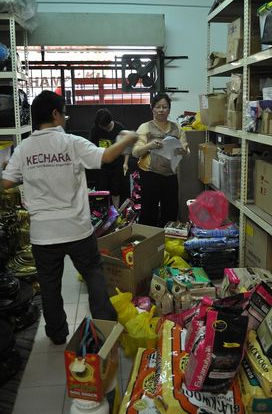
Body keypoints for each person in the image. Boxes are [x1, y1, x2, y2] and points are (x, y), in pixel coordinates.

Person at [0, 90, 137, 345]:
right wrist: (128, 137)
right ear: (54, 114)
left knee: (50, 288)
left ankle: (57, 333)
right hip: (77, 229)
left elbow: (6, 181)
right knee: (94, 275)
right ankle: (105, 328)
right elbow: (106, 156)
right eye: (63, 111)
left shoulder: (25, 147)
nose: (66, 115)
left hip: (43, 234)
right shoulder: (72, 143)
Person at [132, 93, 189, 227]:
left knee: (170, 212)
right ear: (152, 108)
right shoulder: (145, 127)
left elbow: (186, 149)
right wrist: (150, 145)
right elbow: (135, 152)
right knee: (148, 212)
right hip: (150, 175)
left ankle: (167, 242)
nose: (161, 110)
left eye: (165, 107)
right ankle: (149, 242)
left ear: (169, 109)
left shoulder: (177, 128)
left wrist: (184, 151)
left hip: (171, 176)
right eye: (158, 107)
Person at [90, 108, 129, 208]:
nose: (104, 129)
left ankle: (115, 211)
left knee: (116, 189)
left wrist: (125, 163)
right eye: (102, 127)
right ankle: (103, 211)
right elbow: (92, 146)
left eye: (106, 127)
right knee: (102, 188)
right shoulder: (96, 129)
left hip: (117, 164)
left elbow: (126, 148)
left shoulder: (119, 128)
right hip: (102, 164)